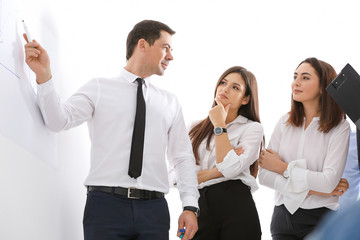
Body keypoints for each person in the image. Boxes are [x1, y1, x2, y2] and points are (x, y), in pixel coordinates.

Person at [23, 20, 199, 240]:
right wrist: (44, 75)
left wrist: (190, 206)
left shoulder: (170, 103)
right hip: (106, 208)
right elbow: (58, 120)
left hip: (154, 211)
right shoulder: (99, 88)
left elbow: (182, 158)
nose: (171, 56)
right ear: (142, 45)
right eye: (166, 48)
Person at [258, 57, 350, 240]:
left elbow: (328, 182)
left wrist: (282, 168)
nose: (296, 83)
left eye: (305, 77)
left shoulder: (340, 127)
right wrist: (318, 189)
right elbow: (263, 175)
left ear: (323, 86)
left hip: (320, 219)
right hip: (282, 218)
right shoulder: (284, 122)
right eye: (295, 76)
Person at [188, 66, 263, 239]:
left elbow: (229, 170)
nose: (225, 89)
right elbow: (177, 177)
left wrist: (219, 124)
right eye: (223, 82)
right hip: (200, 207)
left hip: (236, 207)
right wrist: (218, 171)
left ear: (245, 99)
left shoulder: (252, 129)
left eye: (235, 87)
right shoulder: (193, 128)